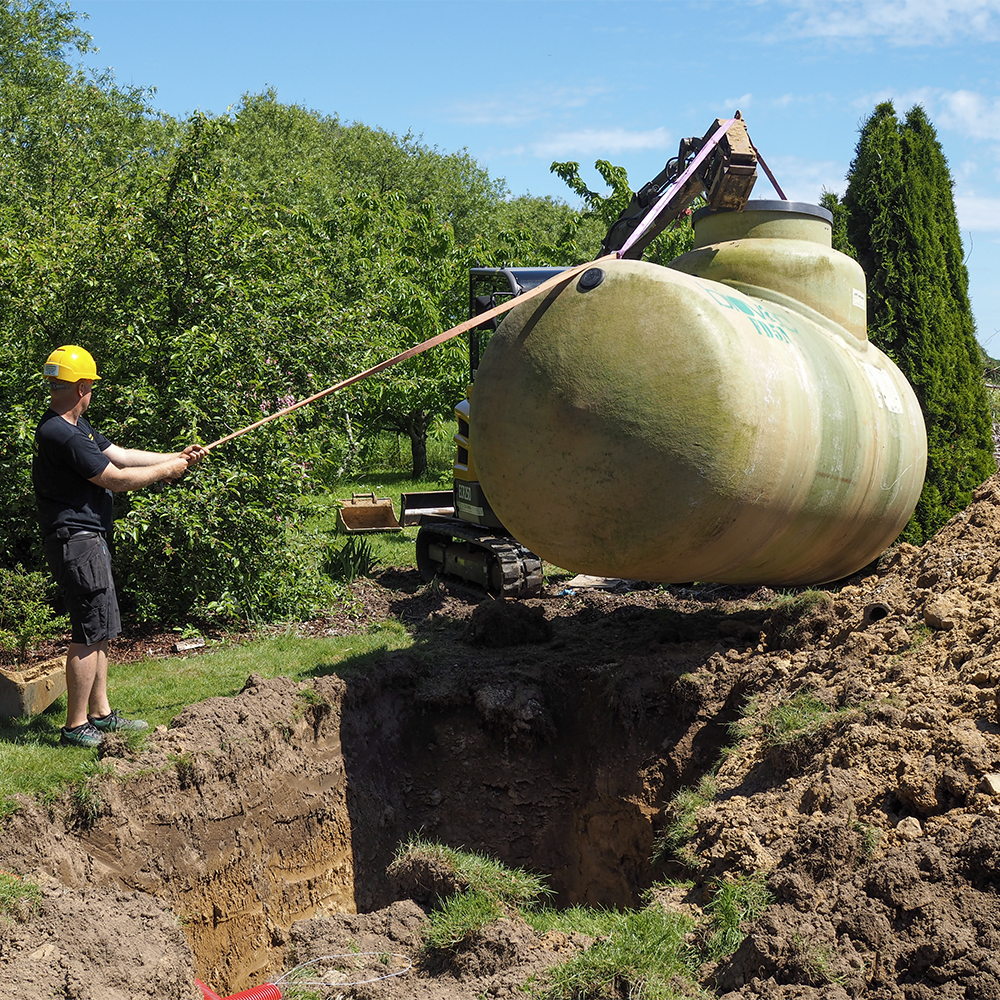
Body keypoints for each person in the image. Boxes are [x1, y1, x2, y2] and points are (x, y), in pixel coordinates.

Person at [32, 345, 208, 748]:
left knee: (102, 629)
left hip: (89, 540)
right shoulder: (59, 432)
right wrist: (167, 471)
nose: (91, 390)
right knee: (88, 631)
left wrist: (177, 457)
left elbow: (123, 456)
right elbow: (114, 478)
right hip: (76, 541)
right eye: (91, 385)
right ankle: (75, 727)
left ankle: (101, 714)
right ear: (81, 386)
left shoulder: (78, 427)